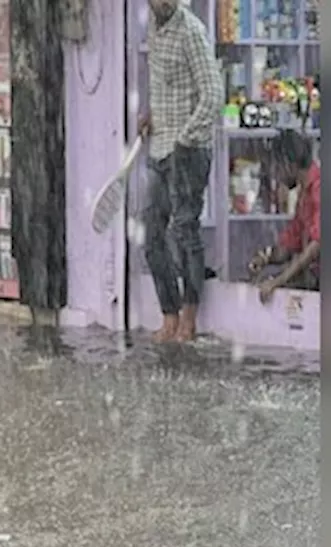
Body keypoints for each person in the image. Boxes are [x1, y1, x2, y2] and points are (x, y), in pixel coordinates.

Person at [137, 0, 221, 342]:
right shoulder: (153, 28)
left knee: (185, 230)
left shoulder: (192, 32)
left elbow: (213, 95)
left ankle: (189, 317)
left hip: (189, 148)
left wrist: (185, 138)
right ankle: (168, 314)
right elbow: (166, 86)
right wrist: (152, 115)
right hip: (159, 148)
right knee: (152, 234)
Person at [251, 129, 321, 302]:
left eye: (277, 168)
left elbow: (316, 245)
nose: (277, 176)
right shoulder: (304, 194)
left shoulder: (319, 188)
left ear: (290, 164)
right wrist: (266, 257)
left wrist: (278, 281)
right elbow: (291, 244)